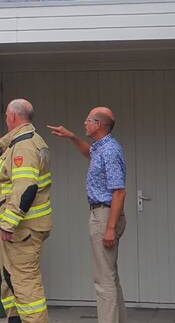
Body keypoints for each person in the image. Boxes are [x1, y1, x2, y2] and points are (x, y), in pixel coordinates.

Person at [48, 107, 127, 323]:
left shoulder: (110, 150)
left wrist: (110, 228)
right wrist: (72, 137)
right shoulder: (100, 148)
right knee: (109, 276)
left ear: (98, 124)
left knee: (104, 280)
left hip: (104, 215)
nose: (84, 123)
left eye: (88, 120)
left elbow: (119, 191)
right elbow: (88, 153)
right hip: (102, 214)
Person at [0, 99, 53, 323]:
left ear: (13, 117)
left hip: (20, 230)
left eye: (7, 115)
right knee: (8, 279)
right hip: (17, 229)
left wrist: (9, 223)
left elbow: (25, 187)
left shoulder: (24, 146)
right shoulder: (23, 143)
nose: (6, 119)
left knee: (25, 284)